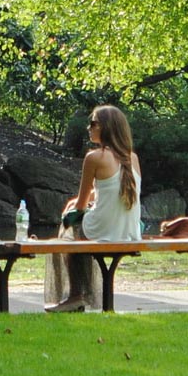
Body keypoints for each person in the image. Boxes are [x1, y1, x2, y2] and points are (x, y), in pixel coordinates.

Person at [44, 105, 142, 313]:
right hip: (129, 233)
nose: (89, 128)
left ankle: (75, 295)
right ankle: (80, 295)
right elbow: (113, 191)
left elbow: (80, 205)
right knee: (79, 228)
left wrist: (74, 207)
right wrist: (85, 202)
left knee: (68, 230)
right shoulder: (132, 157)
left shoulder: (94, 157)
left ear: (107, 127)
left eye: (93, 123)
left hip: (104, 231)